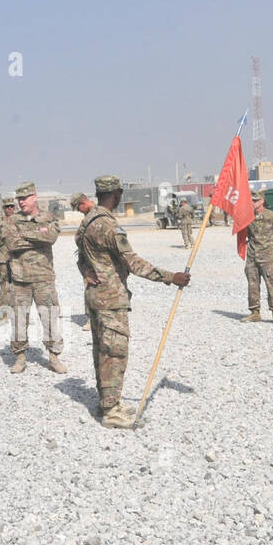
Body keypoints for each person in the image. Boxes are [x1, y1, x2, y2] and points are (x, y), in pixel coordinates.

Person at [75, 175, 190, 428]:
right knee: (115, 354)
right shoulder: (107, 225)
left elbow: (80, 257)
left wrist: (86, 271)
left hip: (94, 298)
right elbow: (134, 263)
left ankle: (106, 401)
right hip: (111, 299)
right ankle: (112, 411)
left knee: (101, 352)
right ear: (117, 194)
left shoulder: (87, 221)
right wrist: (172, 277)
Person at [1, 181, 64, 373]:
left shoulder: (48, 217)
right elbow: (11, 244)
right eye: (18, 199)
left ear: (35, 197)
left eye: (25, 198)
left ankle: (54, 357)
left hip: (44, 278)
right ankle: (20, 358)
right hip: (20, 279)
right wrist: (38, 236)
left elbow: (51, 237)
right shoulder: (11, 220)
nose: (21, 202)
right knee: (19, 320)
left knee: (50, 317)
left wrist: (25, 234)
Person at [242, 191, 273, 323]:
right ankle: (255, 312)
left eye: (255, 201)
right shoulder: (248, 217)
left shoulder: (272, 216)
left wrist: (271, 248)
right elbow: (246, 234)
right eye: (251, 201)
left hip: (268, 256)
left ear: (262, 201)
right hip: (252, 256)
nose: (252, 203)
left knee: (271, 284)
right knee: (252, 284)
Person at [0, 196, 17, 322]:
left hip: (18, 259)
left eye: (12, 206)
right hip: (4, 260)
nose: (10, 209)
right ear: (3, 208)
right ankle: (4, 314)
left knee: (19, 286)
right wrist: (4, 236)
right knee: (5, 287)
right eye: (7, 207)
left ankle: (17, 313)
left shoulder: (20, 222)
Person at [71, 193, 94, 330]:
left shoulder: (95, 216)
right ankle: (92, 318)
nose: (79, 211)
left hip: (97, 262)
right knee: (89, 289)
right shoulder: (88, 217)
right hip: (88, 261)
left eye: (78, 208)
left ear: (82, 204)